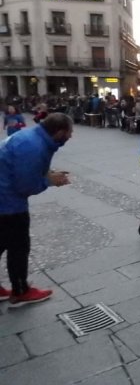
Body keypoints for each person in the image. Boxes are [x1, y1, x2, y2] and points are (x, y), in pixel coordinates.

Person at [0, 113, 73, 307]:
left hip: (4, 196)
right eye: (69, 132)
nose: (71, 136)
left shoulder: (31, 138)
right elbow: (25, 186)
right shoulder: (34, 146)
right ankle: (20, 291)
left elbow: (24, 168)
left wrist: (47, 174)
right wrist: (49, 181)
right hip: (7, 202)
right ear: (59, 132)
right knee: (18, 246)